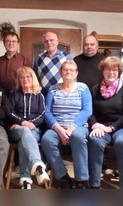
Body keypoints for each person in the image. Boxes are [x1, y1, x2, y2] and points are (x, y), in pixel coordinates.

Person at [40, 61, 92, 189]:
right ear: (60, 73)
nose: (68, 72)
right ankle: (63, 176)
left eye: (72, 70)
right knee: (46, 139)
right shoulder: (53, 89)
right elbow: (47, 112)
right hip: (57, 126)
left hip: (78, 127)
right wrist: (58, 129)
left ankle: (82, 179)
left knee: (79, 137)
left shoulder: (83, 88)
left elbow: (87, 110)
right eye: (65, 70)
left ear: (76, 73)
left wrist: (71, 128)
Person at [87, 56, 123, 189]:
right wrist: (95, 124)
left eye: (115, 70)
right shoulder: (95, 89)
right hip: (101, 126)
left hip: (121, 126)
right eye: (108, 69)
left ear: (119, 71)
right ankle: (94, 184)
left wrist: (112, 127)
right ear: (102, 71)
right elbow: (89, 111)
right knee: (95, 141)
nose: (112, 72)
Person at [8, 66, 50, 189]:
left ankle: (25, 179)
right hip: (16, 129)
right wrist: (22, 122)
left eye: (28, 76)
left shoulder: (39, 95)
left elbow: (42, 115)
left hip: (34, 129)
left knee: (24, 141)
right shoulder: (14, 94)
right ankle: (37, 164)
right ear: (19, 80)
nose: (25, 79)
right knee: (24, 131)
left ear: (33, 78)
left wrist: (29, 124)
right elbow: (9, 112)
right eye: (22, 77)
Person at [0, 22, 32, 96]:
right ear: (4, 43)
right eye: (8, 41)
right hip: (0, 97)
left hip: (19, 96)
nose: (11, 44)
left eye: (14, 41)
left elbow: (30, 80)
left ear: (18, 44)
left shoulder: (25, 60)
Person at [33, 32, 73, 96]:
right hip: (43, 95)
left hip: (62, 95)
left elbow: (73, 77)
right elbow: (34, 78)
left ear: (57, 41)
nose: (49, 43)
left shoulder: (67, 57)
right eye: (46, 41)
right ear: (44, 44)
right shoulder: (38, 58)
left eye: (51, 40)